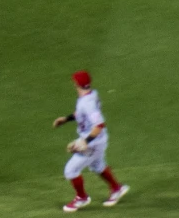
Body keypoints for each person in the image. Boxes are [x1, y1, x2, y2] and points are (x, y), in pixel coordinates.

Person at [53, 72, 126, 210]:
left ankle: (82, 198)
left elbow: (99, 125)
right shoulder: (90, 95)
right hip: (95, 139)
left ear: (76, 84)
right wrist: (66, 119)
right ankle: (117, 188)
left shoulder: (88, 104)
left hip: (94, 141)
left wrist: (85, 142)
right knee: (97, 166)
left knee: (71, 170)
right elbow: (81, 114)